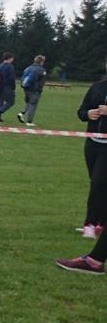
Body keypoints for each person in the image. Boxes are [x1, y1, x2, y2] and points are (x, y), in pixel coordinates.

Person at [76, 73, 107, 238]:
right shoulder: (96, 87)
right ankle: (102, 221)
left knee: (97, 183)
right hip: (92, 143)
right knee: (99, 184)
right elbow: (81, 112)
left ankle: (90, 223)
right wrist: (88, 114)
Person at [17, 54, 47, 126]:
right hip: (35, 90)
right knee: (33, 105)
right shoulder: (42, 70)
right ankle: (29, 122)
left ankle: (21, 113)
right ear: (41, 62)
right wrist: (40, 90)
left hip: (26, 88)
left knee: (29, 102)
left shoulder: (28, 68)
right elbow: (41, 83)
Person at [0, 52, 16, 121]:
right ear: (10, 58)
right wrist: (13, 87)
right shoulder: (10, 66)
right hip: (7, 87)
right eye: (12, 58)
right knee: (11, 101)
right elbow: (12, 78)